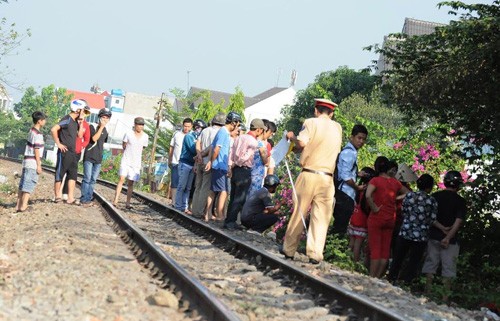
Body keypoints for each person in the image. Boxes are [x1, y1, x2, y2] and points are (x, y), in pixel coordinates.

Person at [281, 98, 343, 264]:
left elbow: (302, 142)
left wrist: (292, 137)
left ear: (316, 110)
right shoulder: (338, 127)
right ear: (332, 113)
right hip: (327, 179)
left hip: (309, 174)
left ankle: (289, 249)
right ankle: (315, 253)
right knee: (321, 217)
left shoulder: (310, 122)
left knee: (299, 212)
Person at [422, 170, 466, 302]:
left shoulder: (435, 196)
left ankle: (427, 294)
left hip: (434, 236)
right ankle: (444, 299)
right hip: (451, 241)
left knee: (430, 265)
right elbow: (458, 221)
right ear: (458, 185)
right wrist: (448, 237)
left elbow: (430, 217)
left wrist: (440, 228)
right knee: (449, 270)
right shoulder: (460, 201)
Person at [388, 174, 438, 284]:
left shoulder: (409, 196)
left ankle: (392, 277)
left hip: (405, 230)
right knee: (414, 260)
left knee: (398, 257)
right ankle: (407, 281)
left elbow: (404, 211)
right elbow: (432, 218)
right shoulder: (432, 201)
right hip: (421, 235)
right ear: (429, 187)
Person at [365, 157, 409, 278]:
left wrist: (374, 208)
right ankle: (378, 277)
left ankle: (371, 277)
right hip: (391, 218)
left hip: (377, 217)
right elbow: (408, 193)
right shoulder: (395, 182)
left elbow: (368, 195)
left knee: (375, 249)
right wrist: (396, 199)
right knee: (385, 250)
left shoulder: (375, 180)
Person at [225, 118, 267, 230]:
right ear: (258, 130)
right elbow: (246, 157)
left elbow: (231, 153)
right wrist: (235, 164)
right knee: (239, 198)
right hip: (243, 170)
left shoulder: (239, 137)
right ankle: (231, 222)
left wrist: (230, 166)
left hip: (235, 170)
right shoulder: (253, 142)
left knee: (233, 196)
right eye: (262, 130)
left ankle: (229, 220)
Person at [204, 112, 241, 222]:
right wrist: (212, 161)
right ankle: (220, 215)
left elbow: (212, 147)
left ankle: (208, 213)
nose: (237, 126)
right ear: (233, 123)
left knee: (213, 190)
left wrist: (211, 161)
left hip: (219, 165)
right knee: (223, 191)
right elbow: (216, 149)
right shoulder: (224, 133)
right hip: (220, 165)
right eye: (237, 124)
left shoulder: (221, 132)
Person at [332, 124, 368, 235]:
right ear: (352, 137)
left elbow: (345, 170)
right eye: (359, 138)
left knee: (339, 224)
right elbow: (346, 177)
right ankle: (334, 248)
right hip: (345, 194)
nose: (361, 141)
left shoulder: (349, 151)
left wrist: (357, 173)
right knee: (340, 226)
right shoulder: (350, 153)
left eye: (363, 139)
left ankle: (331, 247)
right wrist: (357, 187)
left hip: (342, 192)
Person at [51, 99, 86, 204]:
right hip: (64, 152)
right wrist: (58, 143)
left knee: (72, 175)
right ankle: (57, 196)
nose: (83, 112)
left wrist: (82, 122)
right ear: (77, 109)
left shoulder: (76, 122)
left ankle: (70, 197)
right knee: (59, 174)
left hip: (73, 152)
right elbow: (54, 129)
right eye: (82, 110)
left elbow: (80, 135)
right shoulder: (67, 119)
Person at [191, 113, 225, 219]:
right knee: (205, 188)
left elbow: (198, 143)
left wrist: (198, 155)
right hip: (208, 162)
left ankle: (194, 210)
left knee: (198, 187)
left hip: (199, 161)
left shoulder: (205, 130)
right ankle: (199, 212)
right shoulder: (220, 132)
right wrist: (208, 159)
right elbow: (212, 148)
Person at [112, 117, 149, 209]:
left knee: (131, 183)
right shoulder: (128, 134)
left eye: (142, 125)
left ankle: (128, 203)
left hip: (136, 163)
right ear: (135, 125)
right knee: (121, 179)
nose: (140, 127)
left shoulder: (145, 136)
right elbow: (124, 145)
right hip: (126, 160)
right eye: (139, 124)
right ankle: (116, 199)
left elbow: (143, 147)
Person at [80, 108, 112, 207]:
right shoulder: (92, 126)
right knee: (87, 178)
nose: (105, 120)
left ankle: (89, 198)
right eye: (103, 117)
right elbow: (94, 139)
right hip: (89, 156)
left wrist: (103, 128)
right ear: (99, 117)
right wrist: (101, 127)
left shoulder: (106, 130)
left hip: (98, 158)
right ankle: (84, 199)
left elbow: (103, 143)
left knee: (93, 179)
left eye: (107, 118)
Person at [16, 111, 47, 212]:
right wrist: (39, 165)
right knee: (28, 184)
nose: (45, 121)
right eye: (44, 119)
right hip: (32, 162)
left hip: (27, 161)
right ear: (39, 121)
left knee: (23, 184)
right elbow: (36, 150)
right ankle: (24, 206)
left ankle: (18, 206)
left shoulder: (31, 131)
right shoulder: (38, 134)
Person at [175, 119, 207, 214]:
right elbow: (193, 149)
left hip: (192, 164)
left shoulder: (198, 137)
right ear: (196, 127)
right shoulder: (189, 136)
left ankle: (184, 207)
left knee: (188, 187)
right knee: (182, 186)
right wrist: (202, 150)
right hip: (185, 163)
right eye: (200, 128)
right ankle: (178, 206)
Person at [62, 104, 91, 202]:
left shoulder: (86, 125)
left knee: (72, 174)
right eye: (83, 111)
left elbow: (85, 139)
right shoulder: (72, 121)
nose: (83, 114)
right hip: (68, 150)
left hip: (77, 152)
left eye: (85, 112)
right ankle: (59, 193)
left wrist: (82, 146)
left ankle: (67, 193)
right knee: (63, 172)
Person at [347, 167, 376, 262]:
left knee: (351, 242)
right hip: (363, 219)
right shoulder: (369, 191)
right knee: (358, 245)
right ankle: (355, 263)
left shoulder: (359, 188)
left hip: (355, 216)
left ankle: (346, 260)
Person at [168, 118, 193, 204]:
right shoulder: (177, 134)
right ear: (183, 126)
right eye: (185, 126)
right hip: (176, 162)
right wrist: (170, 159)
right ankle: (174, 202)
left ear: (191, 126)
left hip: (187, 163)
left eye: (188, 126)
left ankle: (183, 203)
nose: (186, 128)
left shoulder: (193, 136)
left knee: (185, 185)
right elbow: (171, 147)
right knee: (175, 182)